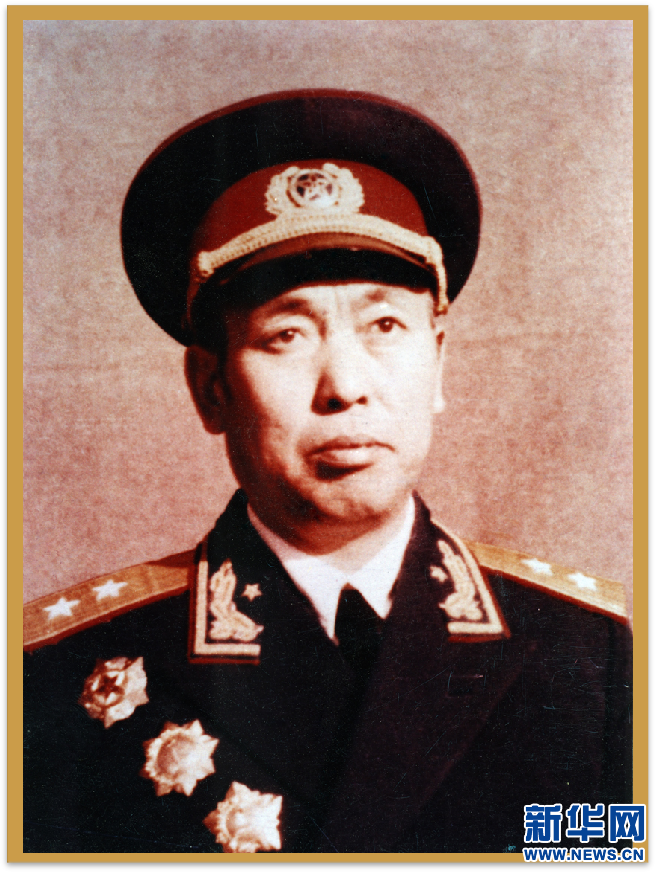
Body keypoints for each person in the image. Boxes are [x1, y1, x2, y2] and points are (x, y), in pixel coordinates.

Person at [23, 90, 632, 854]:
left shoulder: (597, 659)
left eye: (385, 325)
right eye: (286, 334)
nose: (345, 385)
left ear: (438, 360)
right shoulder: (56, 677)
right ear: (210, 386)